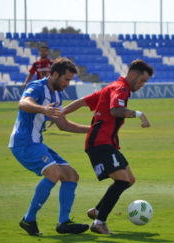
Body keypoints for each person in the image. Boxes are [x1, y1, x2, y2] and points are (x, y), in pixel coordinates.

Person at [61, 59, 154, 234]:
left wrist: (61, 112)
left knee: (129, 180)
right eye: (142, 80)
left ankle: (97, 211)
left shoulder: (111, 87)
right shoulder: (121, 88)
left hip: (108, 143)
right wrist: (139, 114)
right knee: (122, 180)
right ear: (133, 75)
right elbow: (115, 110)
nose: (142, 85)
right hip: (99, 143)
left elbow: (82, 101)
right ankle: (99, 222)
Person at [9, 58, 90, 236]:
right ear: (54, 74)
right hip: (23, 142)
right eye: (66, 79)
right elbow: (23, 103)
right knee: (54, 173)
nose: (68, 84)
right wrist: (43, 109)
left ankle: (63, 223)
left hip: (37, 142)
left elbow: (63, 125)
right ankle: (28, 219)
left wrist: (92, 130)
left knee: (71, 175)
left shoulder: (57, 95)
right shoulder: (37, 87)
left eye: (70, 80)